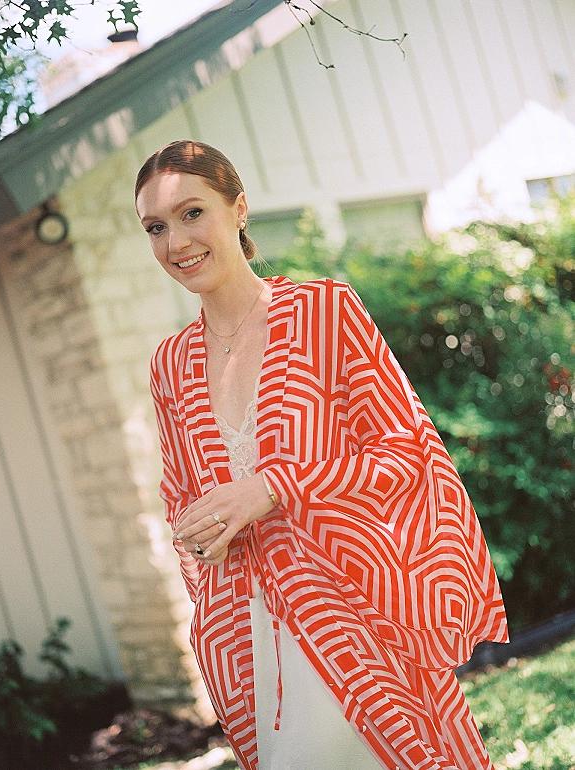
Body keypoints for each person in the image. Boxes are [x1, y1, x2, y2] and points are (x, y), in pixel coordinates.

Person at [135, 140, 508, 770]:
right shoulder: (170, 365)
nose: (177, 242)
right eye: (156, 227)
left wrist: (273, 488)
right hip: (248, 631)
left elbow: (407, 451)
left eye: (193, 213)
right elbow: (183, 502)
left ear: (239, 209)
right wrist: (198, 530)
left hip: (350, 609)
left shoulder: (323, 313)